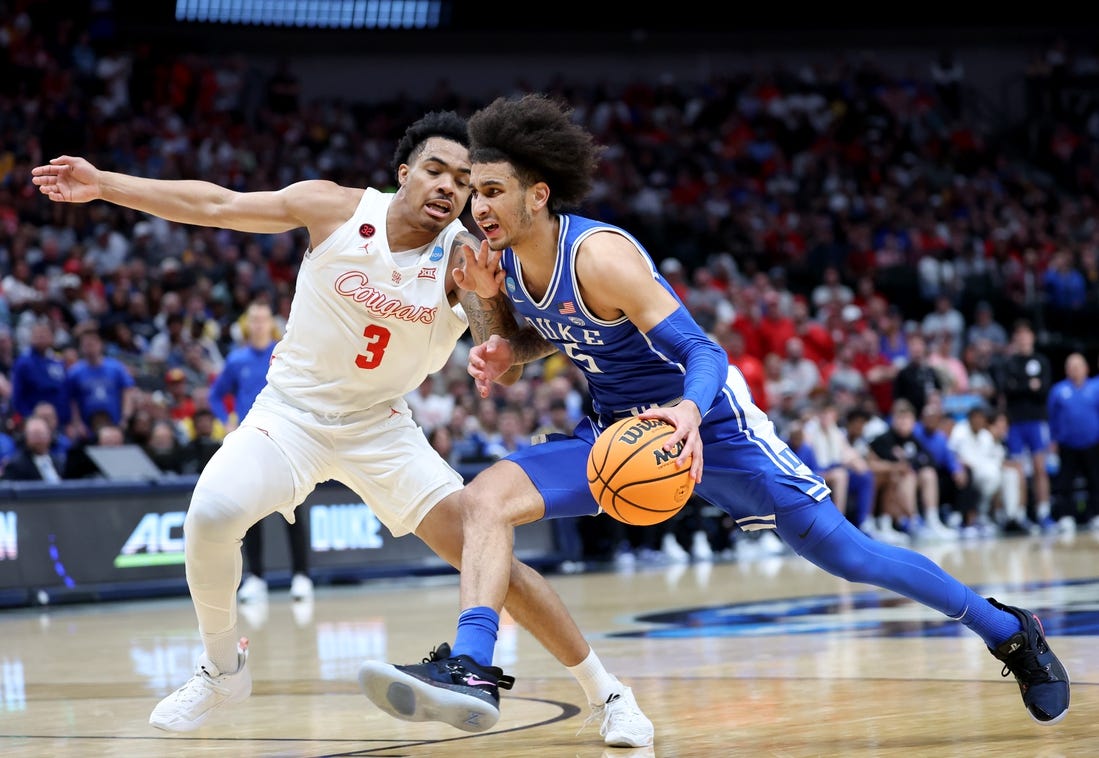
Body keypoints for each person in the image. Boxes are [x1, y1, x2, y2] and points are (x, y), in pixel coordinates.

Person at [359, 93, 1070, 734]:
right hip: (618, 437)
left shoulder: (600, 256)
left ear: (538, 194)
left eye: (492, 191)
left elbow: (703, 352)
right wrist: (496, 341)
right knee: (482, 501)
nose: (476, 207)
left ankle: (1007, 630)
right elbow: (529, 341)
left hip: (715, 432)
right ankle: (474, 668)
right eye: (474, 192)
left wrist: (688, 416)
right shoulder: (503, 259)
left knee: (848, 555)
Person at [31, 111, 654, 748]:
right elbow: (216, 203)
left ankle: (610, 695)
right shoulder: (332, 208)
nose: (448, 188)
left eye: (464, 182)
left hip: (382, 429)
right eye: (435, 171)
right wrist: (105, 183)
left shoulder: (465, 257)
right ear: (403, 172)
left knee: (485, 553)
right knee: (211, 513)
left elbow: (505, 362)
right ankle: (221, 669)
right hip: (290, 415)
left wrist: (490, 321)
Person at [209, 300, 314, 603]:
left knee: (293, 510)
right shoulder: (236, 360)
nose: (258, 325)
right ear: (247, 323)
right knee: (250, 514)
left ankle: (302, 576)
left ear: (271, 323)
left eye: (263, 319)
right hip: (249, 444)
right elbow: (217, 396)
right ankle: (255, 578)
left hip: (287, 442)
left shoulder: (284, 354)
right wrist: (225, 420)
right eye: (253, 319)